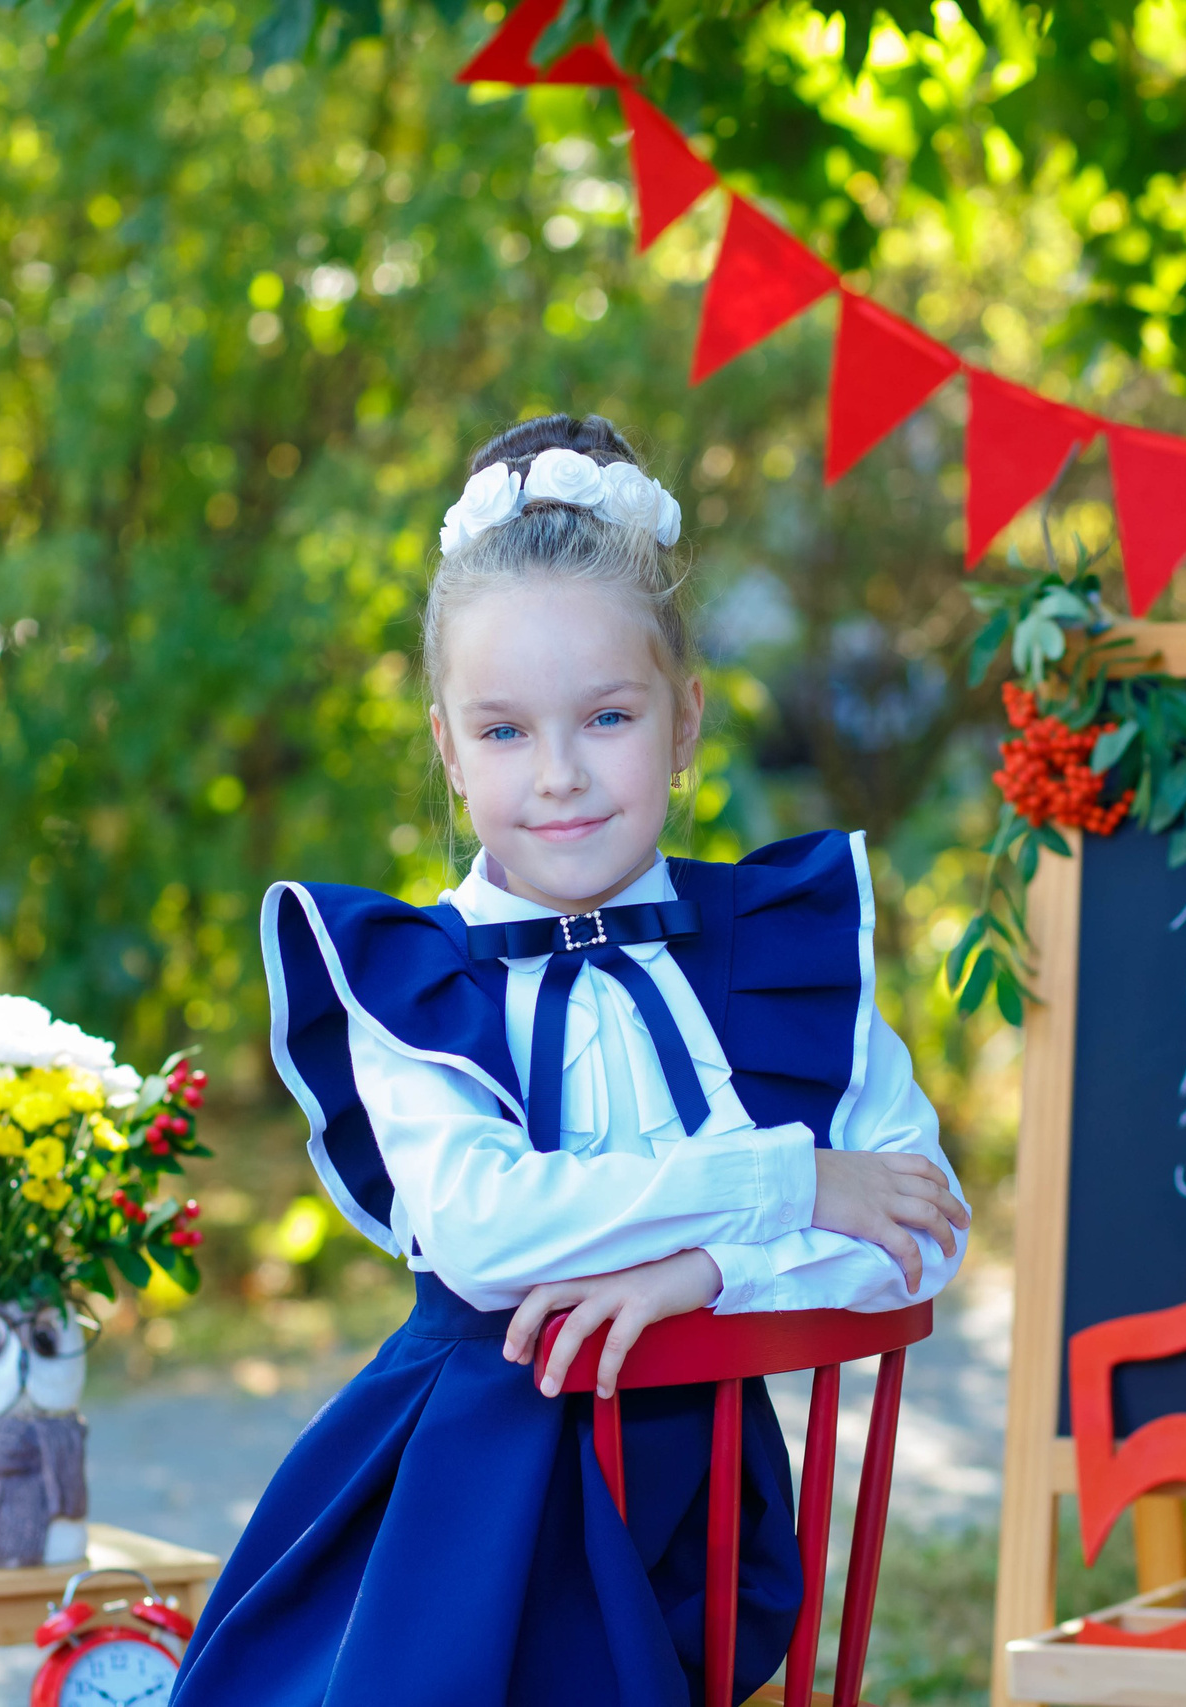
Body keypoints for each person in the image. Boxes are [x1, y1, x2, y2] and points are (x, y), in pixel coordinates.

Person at [168, 414, 973, 1707]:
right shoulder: (412, 979)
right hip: (470, 1501)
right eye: (503, 733)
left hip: (699, 1514)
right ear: (446, 747)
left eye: (605, 717)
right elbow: (488, 1234)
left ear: (685, 718)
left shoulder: (775, 950)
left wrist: (695, 1275)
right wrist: (786, 1188)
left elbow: (923, 1225)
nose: (558, 777)